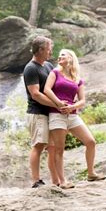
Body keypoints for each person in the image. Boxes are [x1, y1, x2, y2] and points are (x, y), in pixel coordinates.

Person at [43, 48, 106, 187]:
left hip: (72, 115)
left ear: (71, 58)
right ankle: (62, 181)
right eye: (59, 55)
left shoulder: (78, 79)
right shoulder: (55, 73)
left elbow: (82, 100)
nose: (59, 57)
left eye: (63, 55)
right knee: (59, 149)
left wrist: (72, 107)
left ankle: (91, 173)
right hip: (56, 114)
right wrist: (58, 103)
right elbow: (46, 90)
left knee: (90, 141)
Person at [23, 36, 69, 188]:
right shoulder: (31, 68)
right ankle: (36, 181)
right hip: (37, 113)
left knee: (53, 148)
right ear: (41, 50)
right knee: (39, 145)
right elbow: (36, 94)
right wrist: (57, 104)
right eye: (49, 49)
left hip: (50, 113)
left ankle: (56, 181)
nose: (51, 52)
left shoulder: (48, 66)